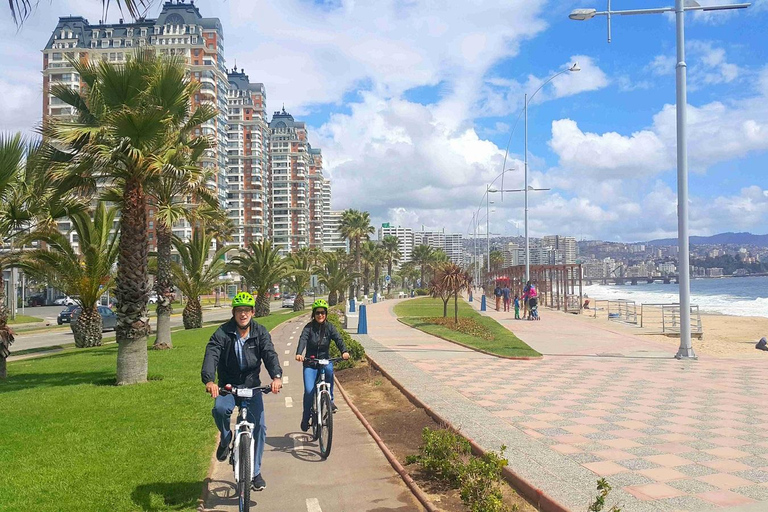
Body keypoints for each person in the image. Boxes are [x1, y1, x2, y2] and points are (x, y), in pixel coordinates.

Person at [201, 292, 283, 492]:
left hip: (252, 387)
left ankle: (254, 473)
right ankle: (226, 437)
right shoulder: (222, 333)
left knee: (260, 428)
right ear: (234, 313)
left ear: (253, 312)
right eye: (239, 311)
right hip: (228, 387)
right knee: (220, 410)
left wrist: (276, 376)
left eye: (246, 310)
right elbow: (212, 353)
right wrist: (209, 380)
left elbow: (269, 354)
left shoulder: (260, 332)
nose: (243, 314)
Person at [295, 299, 350, 432]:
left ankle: (330, 400)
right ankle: (306, 416)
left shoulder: (330, 327)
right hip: (310, 363)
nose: (320, 315)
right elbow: (303, 339)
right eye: (318, 313)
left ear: (326, 314)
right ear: (314, 314)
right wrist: (299, 353)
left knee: (330, 371)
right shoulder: (308, 328)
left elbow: (338, 339)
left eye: (323, 312)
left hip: (325, 360)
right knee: (309, 391)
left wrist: (344, 351)